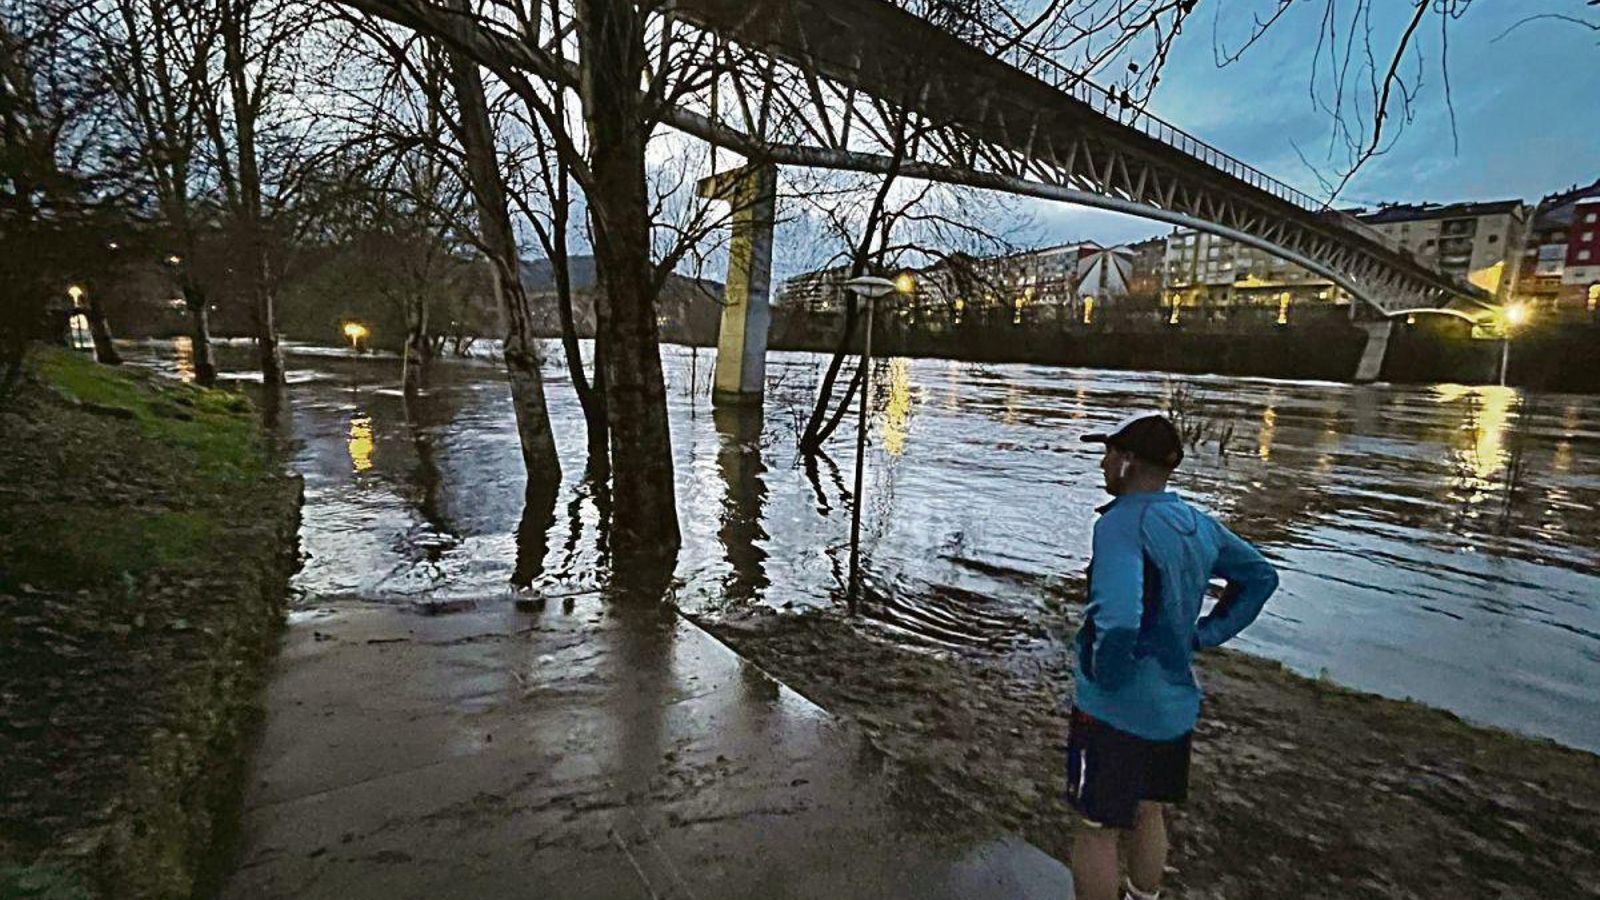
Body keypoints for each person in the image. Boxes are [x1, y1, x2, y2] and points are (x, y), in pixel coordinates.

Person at [1067, 412, 1279, 900]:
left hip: (1114, 710)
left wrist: (1106, 680)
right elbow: (1260, 577)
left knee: (1097, 826)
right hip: (1173, 706)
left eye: (1107, 454)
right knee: (1149, 808)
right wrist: (1206, 634)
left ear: (1125, 462)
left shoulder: (1120, 525)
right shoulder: (1197, 524)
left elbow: (1118, 619)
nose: (1102, 464)